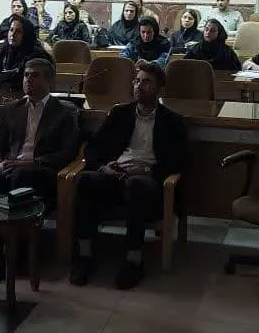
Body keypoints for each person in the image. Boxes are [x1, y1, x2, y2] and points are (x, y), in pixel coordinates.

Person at [70, 63, 188, 290]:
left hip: (148, 182)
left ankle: (134, 259)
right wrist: (103, 167)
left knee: (136, 185)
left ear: (160, 89)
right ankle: (85, 255)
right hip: (115, 174)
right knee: (85, 180)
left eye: (147, 82)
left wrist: (145, 171)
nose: (139, 86)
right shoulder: (120, 113)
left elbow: (180, 161)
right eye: (137, 81)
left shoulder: (172, 121)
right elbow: (93, 147)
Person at [0, 58, 80, 281]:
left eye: (35, 76)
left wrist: (33, 163)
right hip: (10, 169)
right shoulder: (13, 109)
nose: (28, 80)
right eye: (26, 75)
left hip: (42, 173)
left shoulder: (64, 112)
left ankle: (12, 257)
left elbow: (67, 152)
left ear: (49, 81)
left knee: (20, 179)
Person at [0, 15, 52, 91]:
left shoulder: (35, 56)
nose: (13, 34)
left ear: (26, 35)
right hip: (2, 96)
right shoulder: (3, 54)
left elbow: (33, 87)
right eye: (11, 30)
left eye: (18, 31)